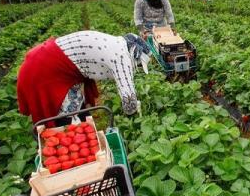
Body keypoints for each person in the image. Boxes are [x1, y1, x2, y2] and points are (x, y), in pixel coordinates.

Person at [17, 31, 151, 125]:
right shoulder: (121, 57)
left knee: (77, 107)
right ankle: (69, 138)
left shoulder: (117, 43)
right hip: (44, 69)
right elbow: (129, 101)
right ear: (135, 55)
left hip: (47, 59)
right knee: (67, 114)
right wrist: (137, 117)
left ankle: (83, 129)